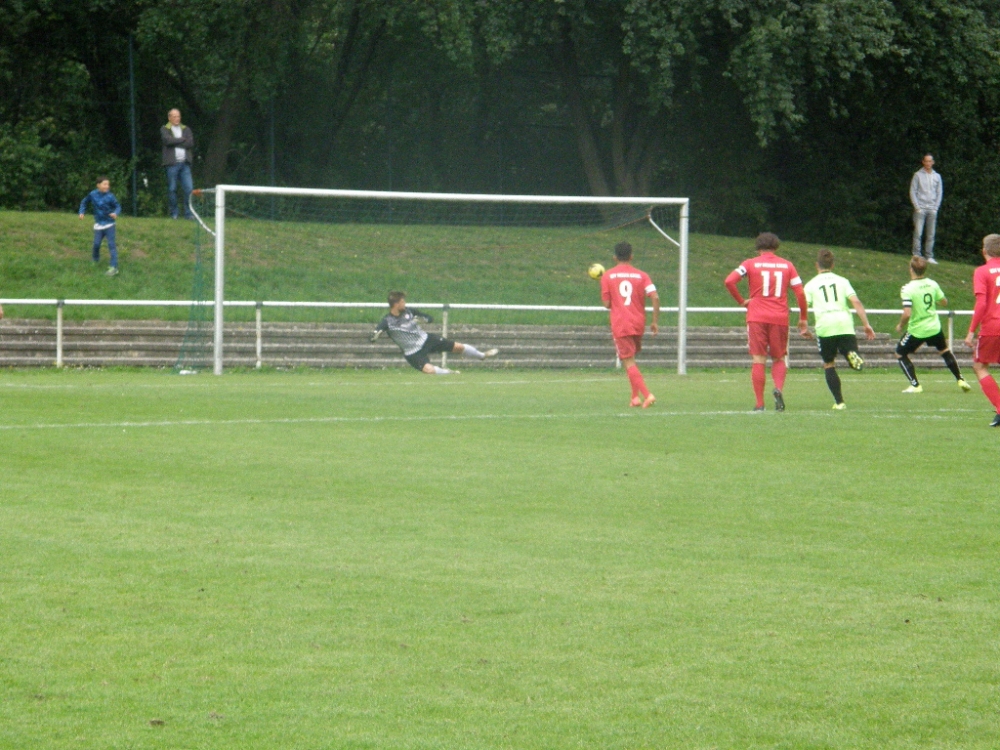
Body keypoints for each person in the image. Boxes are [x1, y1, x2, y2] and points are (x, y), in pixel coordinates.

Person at [725, 232, 811, 411]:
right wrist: (803, 318)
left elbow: (729, 281)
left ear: (758, 248)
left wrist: (742, 301)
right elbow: (800, 293)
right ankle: (778, 389)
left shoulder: (749, 264)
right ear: (776, 247)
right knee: (779, 357)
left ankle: (759, 404)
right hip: (780, 317)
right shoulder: (787, 265)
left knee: (758, 359)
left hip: (757, 316)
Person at [803, 249, 876, 409]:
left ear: (817, 265)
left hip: (825, 326)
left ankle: (839, 402)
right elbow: (855, 301)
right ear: (833, 265)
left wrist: (803, 325)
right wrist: (866, 324)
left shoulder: (811, 284)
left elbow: (804, 306)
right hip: (844, 324)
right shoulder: (842, 281)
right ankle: (850, 353)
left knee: (829, 364)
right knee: (849, 350)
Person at [371, 291, 497, 374]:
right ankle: (450, 373)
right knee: (429, 370)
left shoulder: (409, 311)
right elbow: (375, 333)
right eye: (403, 301)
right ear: (396, 304)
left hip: (426, 339)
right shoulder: (387, 321)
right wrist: (375, 336)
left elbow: (428, 318)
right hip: (412, 352)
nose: (405, 303)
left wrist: (424, 319)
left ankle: (482, 355)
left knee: (458, 347)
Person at [895, 256, 971, 394]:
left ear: (911, 269)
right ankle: (960, 379)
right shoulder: (932, 284)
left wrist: (900, 325)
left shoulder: (907, 288)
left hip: (917, 330)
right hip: (934, 327)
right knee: (945, 351)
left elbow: (907, 313)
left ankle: (915, 385)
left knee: (899, 353)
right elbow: (944, 302)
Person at [600, 241, 660, 408]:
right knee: (631, 358)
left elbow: (606, 303)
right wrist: (654, 321)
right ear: (631, 257)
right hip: (638, 322)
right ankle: (635, 397)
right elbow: (655, 297)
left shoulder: (608, 276)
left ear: (614, 257)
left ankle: (648, 395)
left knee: (628, 361)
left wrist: (614, 300)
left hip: (621, 323)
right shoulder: (642, 275)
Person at [962, 234, 1000, 426]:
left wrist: (971, 330)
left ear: (984, 251)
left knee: (980, 366)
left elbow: (982, 303)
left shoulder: (982, 272)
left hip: (993, 326)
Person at [78, 176, 121, 276]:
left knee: (111, 245)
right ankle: (95, 260)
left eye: (108, 184)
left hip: (110, 224)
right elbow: (84, 202)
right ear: (98, 185)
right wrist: (81, 212)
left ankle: (113, 267)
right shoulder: (92, 194)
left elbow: (118, 206)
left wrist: (115, 213)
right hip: (98, 225)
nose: (107, 186)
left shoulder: (110, 196)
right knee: (96, 244)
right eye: (105, 184)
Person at [161, 108, 195, 219]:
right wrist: (181, 140)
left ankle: (188, 214)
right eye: (174, 116)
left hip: (185, 164)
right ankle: (174, 213)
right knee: (172, 189)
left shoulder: (186, 129)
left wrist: (175, 141)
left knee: (189, 189)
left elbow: (190, 143)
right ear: (169, 118)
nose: (177, 119)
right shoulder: (165, 128)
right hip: (172, 164)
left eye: (178, 116)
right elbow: (167, 141)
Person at [910, 154, 943, 263]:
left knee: (930, 234)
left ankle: (929, 256)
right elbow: (912, 191)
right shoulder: (917, 175)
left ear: (933, 162)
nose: (928, 163)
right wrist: (917, 207)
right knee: (918, 233)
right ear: (923, 162)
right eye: (926, 161)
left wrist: (935, 208)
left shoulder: (937, 176)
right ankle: (916, 255)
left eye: (930, 161)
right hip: (921, 208)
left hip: (932, 208)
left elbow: (939, 193)